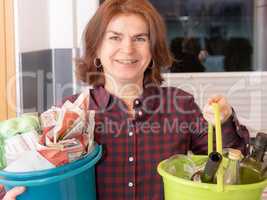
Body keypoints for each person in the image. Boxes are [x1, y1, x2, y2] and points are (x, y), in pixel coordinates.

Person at [2, 0, 249, 199]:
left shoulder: (181, 105)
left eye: (140, 38)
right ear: (96, 48)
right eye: (115, 37)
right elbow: (33, 176)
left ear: (153, 51)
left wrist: (224, 120)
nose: (128, 49)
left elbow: (228, 161)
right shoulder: (68, 113)